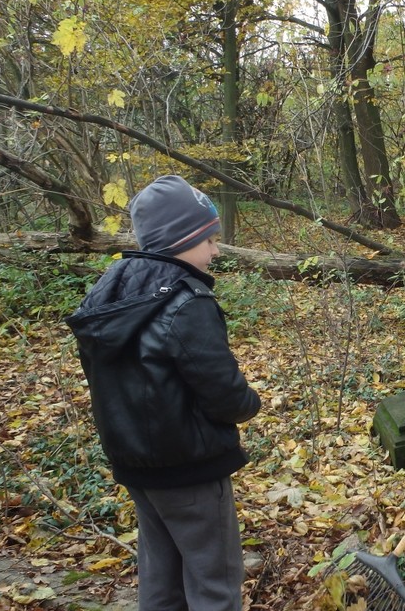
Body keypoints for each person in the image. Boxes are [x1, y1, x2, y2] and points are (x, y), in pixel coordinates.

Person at [66, 175, 261, 611]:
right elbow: (223, 391)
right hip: (191, 466)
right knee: (215, 582)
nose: (214, 250)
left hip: (136, 464)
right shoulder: (188, 301)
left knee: (161, 577)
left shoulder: (112, 288)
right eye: (208, 239)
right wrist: (251, 403)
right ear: (180, 239)